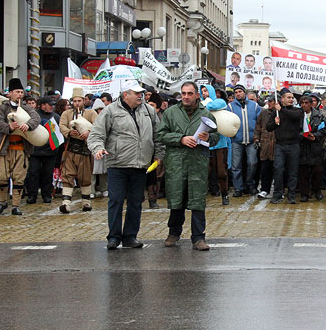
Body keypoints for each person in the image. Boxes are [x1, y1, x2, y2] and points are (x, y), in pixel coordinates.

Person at [88, 79, 164, 250]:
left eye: (141, 93)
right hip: (118, 164)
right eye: (136, 93)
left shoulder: (148, 110)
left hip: (140, 164)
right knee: (115, 201)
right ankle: (113, 237)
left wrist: (159, 155)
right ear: (125, 95)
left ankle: (130, 236)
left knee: (136, 202)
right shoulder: (110, 111)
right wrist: (98, 148)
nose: (141, 96)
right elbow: (96, 135)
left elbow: (158, 135)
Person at [157, 82, 218, 250]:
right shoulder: (170, 113)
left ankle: (198, 238)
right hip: (176, 162)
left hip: (197, 162)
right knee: (177, 199)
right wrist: (181, 138)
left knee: (197, 201)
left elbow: (216, 136)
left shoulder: (206, 114)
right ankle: (173, 233)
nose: (185, 97)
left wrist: (208, 139)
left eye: (189, 93)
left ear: (197, 95)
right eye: (183, 93)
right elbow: (161, 135)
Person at [0, 78, 40, 216]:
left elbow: (35, 118)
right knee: (1, 176)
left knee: (19, 177)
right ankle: (2, 202)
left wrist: (29, 125)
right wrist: (9, 127)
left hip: (21, 148)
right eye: (17, 92)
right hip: (4, 148)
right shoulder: (2, 108)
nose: (20, 94)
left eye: (21, 92)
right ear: (10, 93)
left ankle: (16, 205)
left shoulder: (26, 108)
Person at [58, 88, 98, 214]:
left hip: (85, 150)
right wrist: (70, 132)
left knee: (85, 176)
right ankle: (66, 203)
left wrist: (88, 132)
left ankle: (86, 202)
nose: (77, 103)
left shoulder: (91, 113)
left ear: (84, 101)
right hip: (70, 149)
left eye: (79, 101)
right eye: (75, 101)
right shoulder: (67, 114)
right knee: (67, 175)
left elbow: (98, 126)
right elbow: (62, 126)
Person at [267, 88, 303, 204]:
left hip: (293, 145)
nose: (291, 99)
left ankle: (291, 195)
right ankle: (277, 194)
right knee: (278, 170)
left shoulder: (297, 111)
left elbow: (294, 117)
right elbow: (269, 127)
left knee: (292, 172)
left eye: (292, 98)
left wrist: (281, 109)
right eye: (288, 97)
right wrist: (275, 122)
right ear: (282, 99)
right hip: (280, 146)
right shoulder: (276, 112)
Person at [228, 84, 262, 196]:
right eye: (236, 92)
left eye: (240, 91)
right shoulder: (230, 107)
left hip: (252, 140)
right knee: (236, 166)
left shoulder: (255, 106)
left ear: (244, 92)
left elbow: (260, 121)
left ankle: (250, 184)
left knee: (252, 163)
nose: (238, 94)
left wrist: (258, 136)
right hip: (237, 140)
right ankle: (238, 188)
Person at [25, 96, 59, 204]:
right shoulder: (34, 116)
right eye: (50, 105)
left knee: (47, 174)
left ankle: (47, 195)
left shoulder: (56, 117)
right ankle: (32, 195)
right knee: (33, 173)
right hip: (36, 150)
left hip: (50, 151)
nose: (52, 107)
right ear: (43, 105)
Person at [297, 95, 326, 201]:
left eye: (306, 103)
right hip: (302, 147)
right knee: (303, 172)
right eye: (302, 103)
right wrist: (303, 136)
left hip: (315, 147)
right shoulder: (297, 115)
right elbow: (293, 130)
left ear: (312, 104)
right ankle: (304, 193)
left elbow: (324, 128)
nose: (304, 105)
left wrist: (315, 136)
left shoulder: (319, 115)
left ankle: (317, 191)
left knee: (317, 171)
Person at [254, 96, 277, 199]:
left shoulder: (281, 112)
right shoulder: (263, 113)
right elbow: (258, 126)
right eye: (269, 102)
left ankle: (278, 190)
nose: (270, 103)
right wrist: (256, 138)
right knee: (265, 169)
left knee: (278, 170)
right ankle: (264, 189)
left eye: (272, 101)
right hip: (265, 144)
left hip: (277, 145)